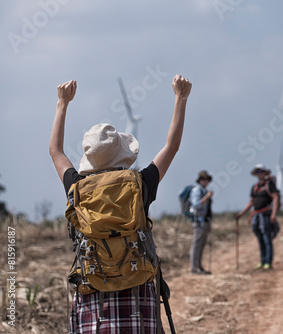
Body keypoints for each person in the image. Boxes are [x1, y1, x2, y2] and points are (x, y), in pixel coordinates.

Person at [49, 74, 191, 333]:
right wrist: (180, 98)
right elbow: (171, 147)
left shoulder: (76, 187)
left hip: (93, 291)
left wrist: (62, 103)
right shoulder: (140, 184)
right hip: (138, 292)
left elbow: (56, 151)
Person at [236, 164, 279, 270]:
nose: (259, 174)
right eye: (258, 172)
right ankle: (262, 260)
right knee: (260, 238)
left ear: (265, 173)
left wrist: (274, 214)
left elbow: (276, 198)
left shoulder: (269, 185)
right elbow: (251, 202)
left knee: (267, 238)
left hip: (266, 215)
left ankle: (268, 262)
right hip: (256, 215)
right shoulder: (254, 187)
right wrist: (241, 213)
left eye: (261, 171)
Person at [189, 170, 214, 275]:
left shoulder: (204, 190)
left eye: (207, 179)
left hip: (204, 221)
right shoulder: (197, 191)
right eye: (203, 179)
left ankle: (199, 266)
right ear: (199, 180)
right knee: (197, 244)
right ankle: (194, 268)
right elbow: (196, 205)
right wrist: (207, 197)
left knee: (202, 244)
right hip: (198, 221)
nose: (205, 181)